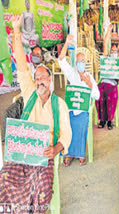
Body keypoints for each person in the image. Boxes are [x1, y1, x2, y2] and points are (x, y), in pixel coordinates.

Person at [0, 15, 71, 213]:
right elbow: (22, 65)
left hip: (43, 155)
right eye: (36, 77)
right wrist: (16, 30)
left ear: (50, 81)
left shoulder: (60, 105)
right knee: (5, 178)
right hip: (22, 153)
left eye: (42, 78)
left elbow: (66, 133)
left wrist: (56, 148)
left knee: (40, 189)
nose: (39, 81)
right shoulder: (30, 93)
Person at [58, 35, 100, 166]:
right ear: (75, 64)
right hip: (71, 109)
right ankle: (68, 154)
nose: (81, 63)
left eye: (83, 61)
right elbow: (61, 60)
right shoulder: (72, 74)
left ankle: (80, 153)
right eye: (78, 61)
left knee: (81, 124)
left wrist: (90, 85)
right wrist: (66, 44)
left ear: (86, 63)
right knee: (66, 125)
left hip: (83, 111)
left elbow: (97, 96)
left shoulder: (89, 77)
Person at [96, 24, 119, 130]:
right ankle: (102, 120)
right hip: (103, 82)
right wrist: (108, 33)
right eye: (112, 51)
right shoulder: (107, 59)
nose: (113, 52)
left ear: (117, 53)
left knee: (111, 95)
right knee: (99, 93)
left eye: (115, 51)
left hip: (112, 84)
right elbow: (105, 45)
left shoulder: (118, 63)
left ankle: (110, 120)